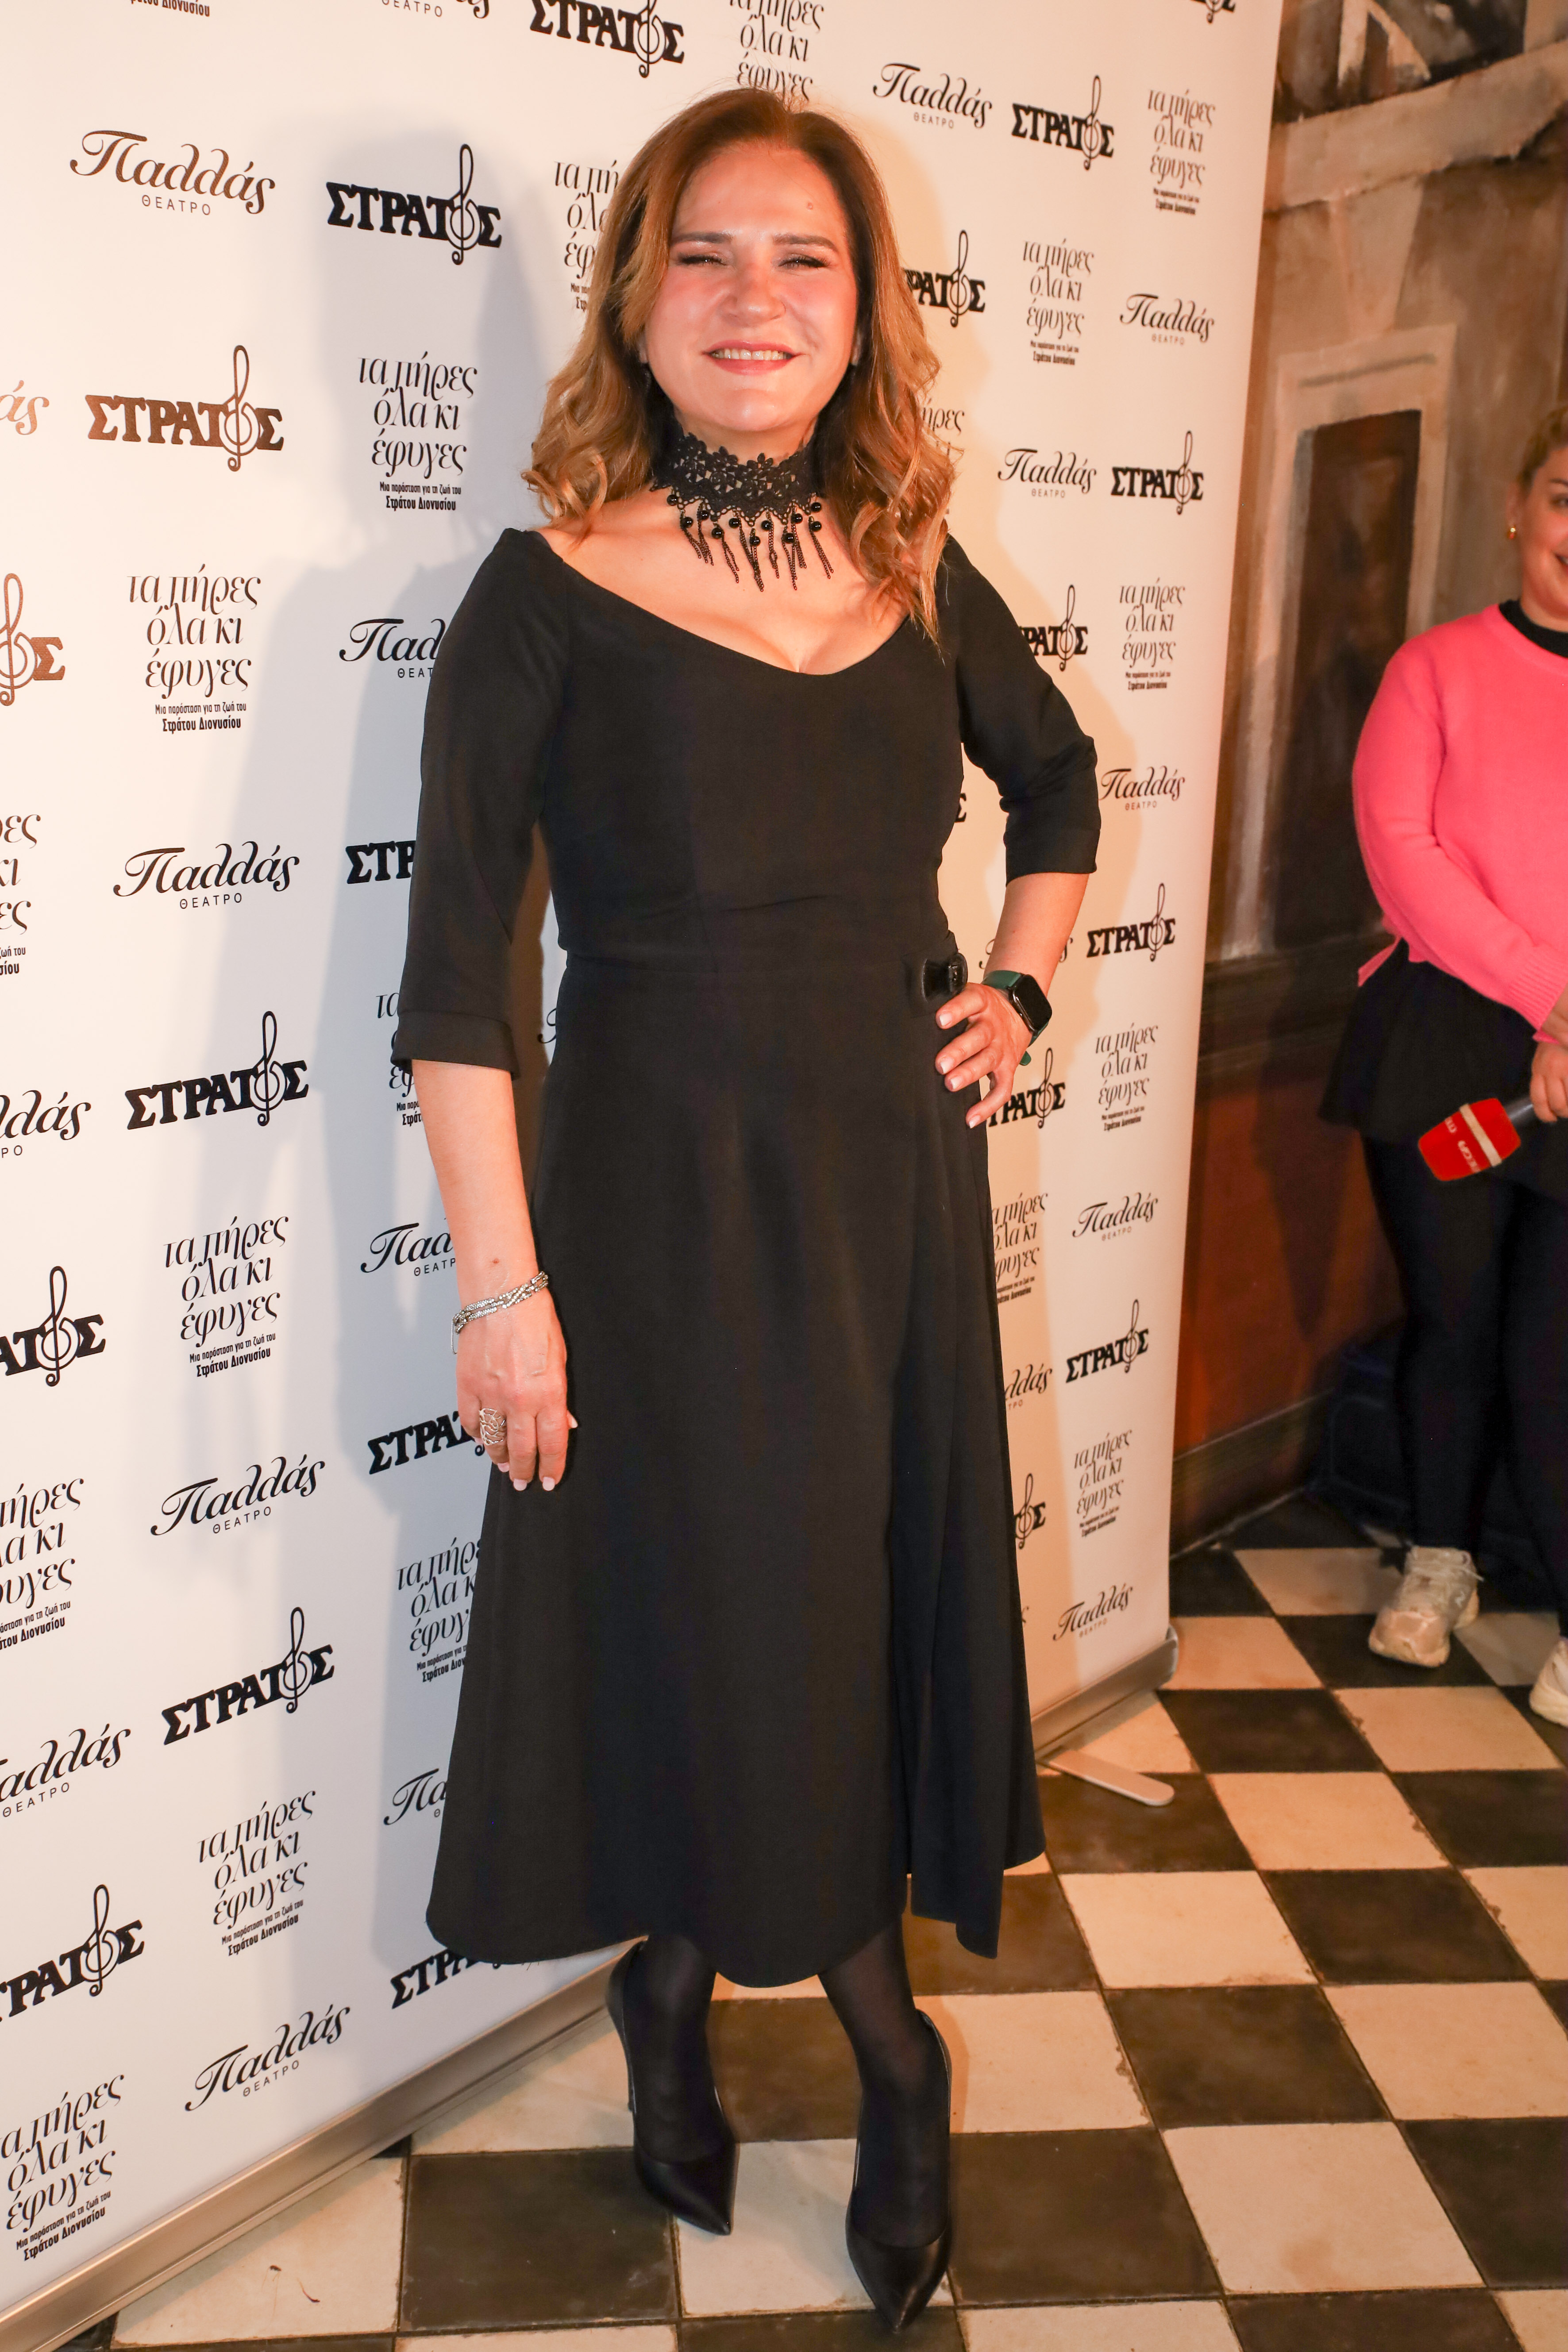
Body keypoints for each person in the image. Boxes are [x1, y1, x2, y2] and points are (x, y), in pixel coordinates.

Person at [392, 90, 1097, 2328]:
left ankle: (774, 2020)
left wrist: (1017, 988)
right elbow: (455, 980)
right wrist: (502, 1292)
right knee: (715, 1622)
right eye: (706, 252)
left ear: (863, 309)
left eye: (804, 258)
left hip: (884, 1200)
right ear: (638, 296)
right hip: (653, 1210)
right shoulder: (541, 597)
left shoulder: (918, 568)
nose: (755, 298)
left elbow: (1058, 783)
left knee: (840, 1621)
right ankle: (830, 2037)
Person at [1322, 402, 1568, 1717]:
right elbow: (1404, 860)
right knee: (1455, 1320)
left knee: (1554, 1351)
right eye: (1567, 497)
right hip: (1446, 1038)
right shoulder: (1436, 670)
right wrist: (1554, 1003)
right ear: (1520, 510)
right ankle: (1439, 1563)